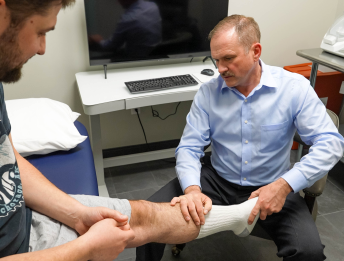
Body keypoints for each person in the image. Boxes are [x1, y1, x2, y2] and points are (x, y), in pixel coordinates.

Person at [0, 2, 261, 261]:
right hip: (17, 251)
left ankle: (235, 218)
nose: (42, 49)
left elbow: (6, 159)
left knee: (154, 215)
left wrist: (78, 214)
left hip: (24, 219)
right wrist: (86, 248)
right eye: (41, 32)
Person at [137, 15, 344, 261]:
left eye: (228, 58)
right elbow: (189, 147)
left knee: (308, 252)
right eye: (216, 60)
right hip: (216, 180)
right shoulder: (208, 93)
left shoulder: (293, 88)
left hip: (271, 185)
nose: (220, 68)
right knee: (148, 222)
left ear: (255, 51)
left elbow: (331, 144)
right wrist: (192, 189)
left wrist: (284, 186)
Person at [89, 0, 162, 59]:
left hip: (136, 60)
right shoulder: (153, 6)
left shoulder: (129, 19)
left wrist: (97, 41)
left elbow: (111, 47)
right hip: (158, 54)